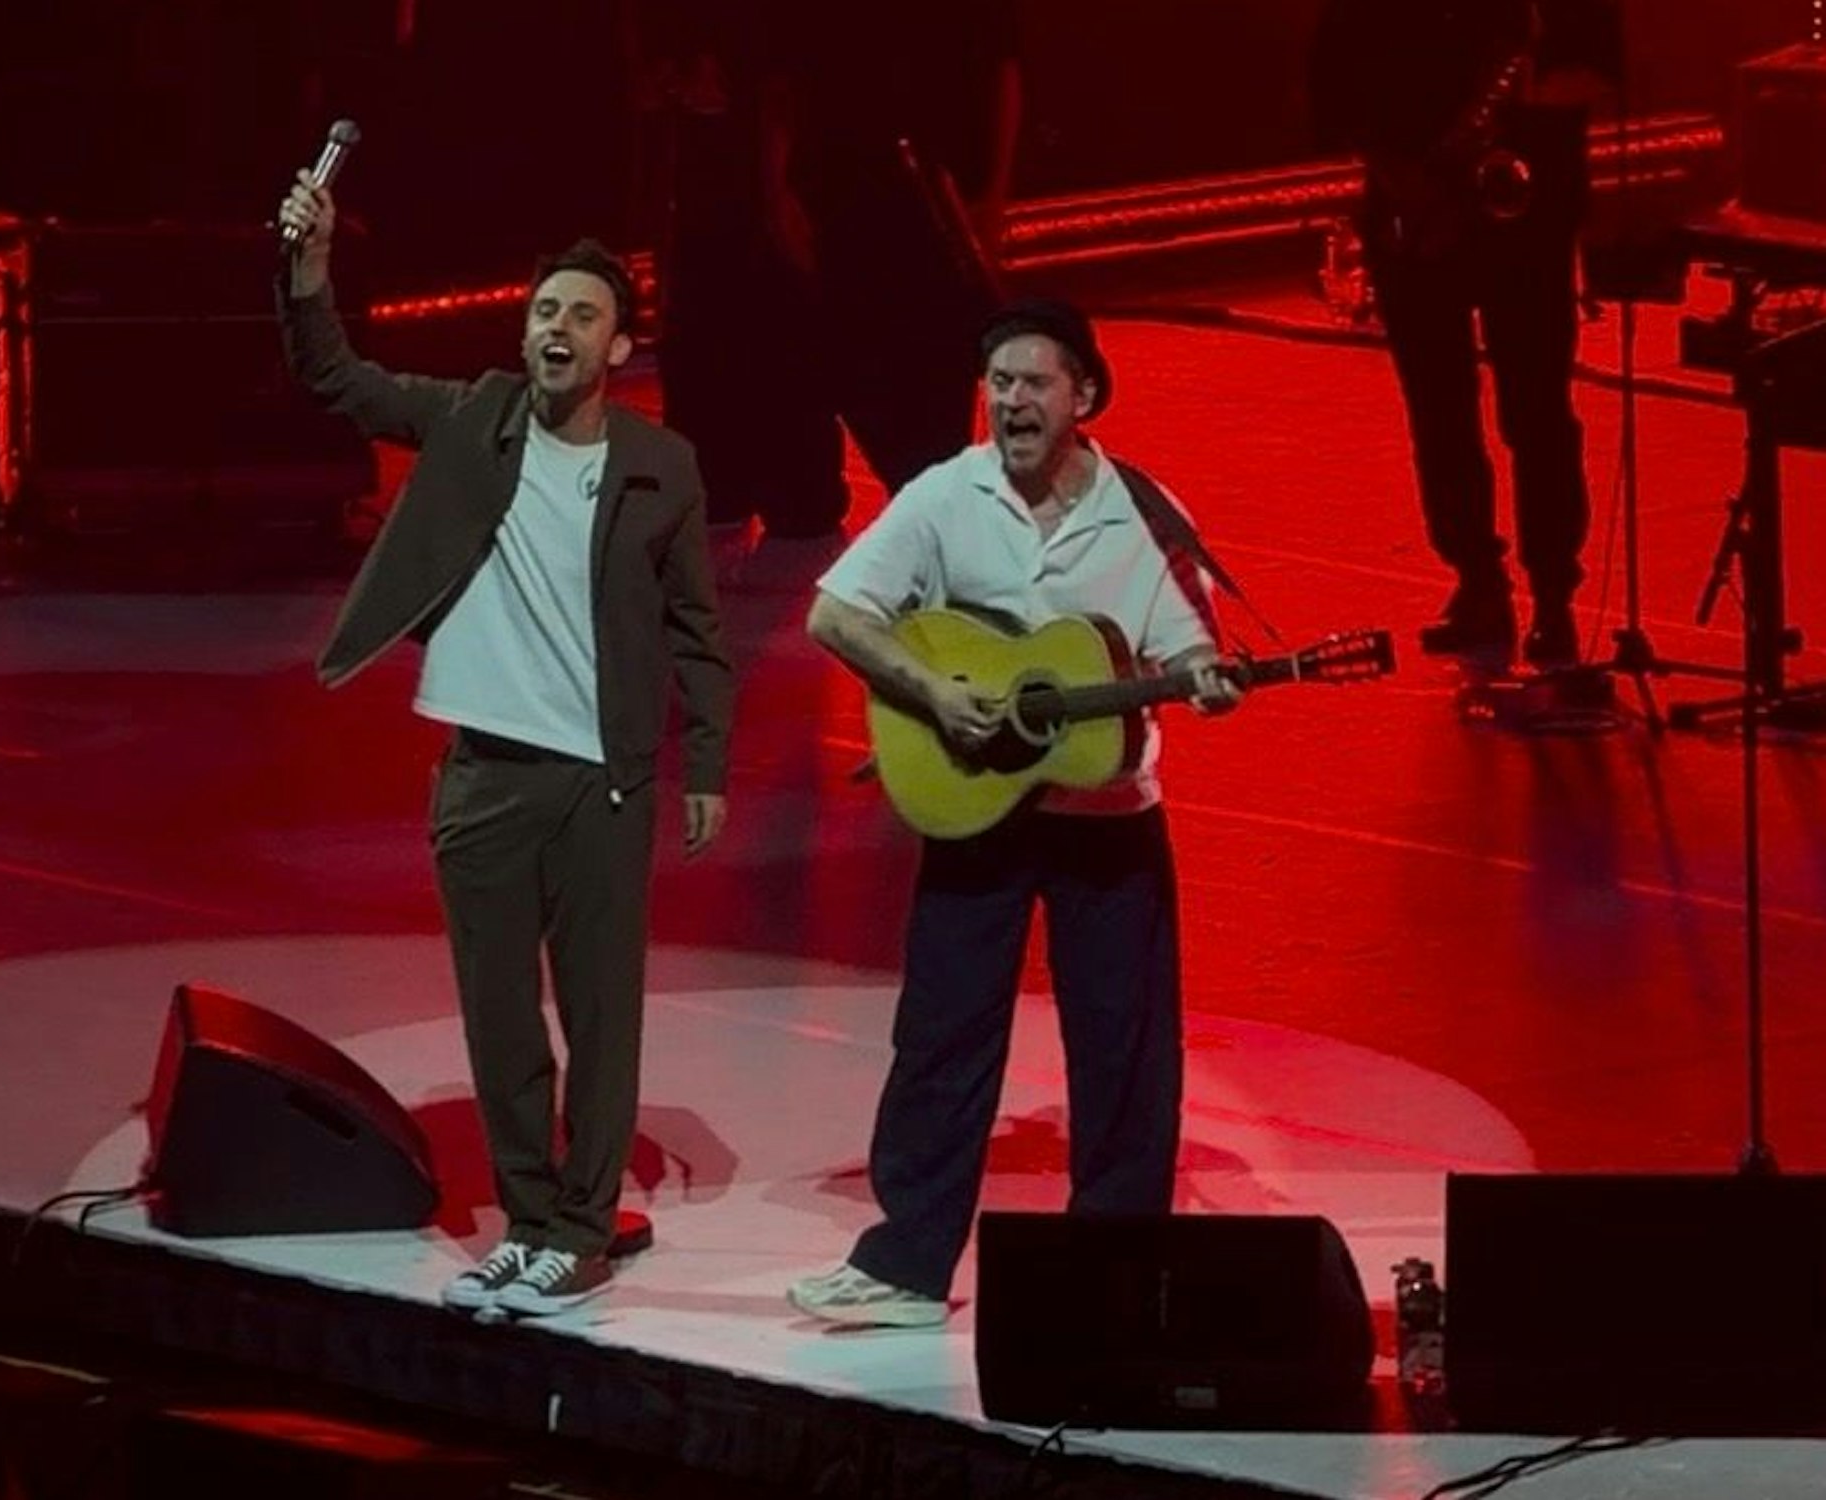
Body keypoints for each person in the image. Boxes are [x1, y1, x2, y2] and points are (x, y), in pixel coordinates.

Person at [275, 172, 734, 1316]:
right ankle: (532, 1219)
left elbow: (694, 625)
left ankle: (580, 1228)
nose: (553, 330)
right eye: (541, 312)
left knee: (598, 1013)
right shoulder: (473, 415)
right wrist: (310, 269)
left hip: (598, 782)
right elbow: (338, 377)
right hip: (481, 773)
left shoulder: (658, 465)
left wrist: (709, 765)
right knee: (496, 1015)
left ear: (619, 345)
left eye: (580, 314)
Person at [788, 299, 1243, 1326]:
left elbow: (1188, 647)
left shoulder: (1140, 507)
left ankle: (1112, 1275)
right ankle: (904, 1265)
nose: (1009, 401)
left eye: (1031, 383)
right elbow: (833, 610)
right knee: (941, 1035)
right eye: (997, 383)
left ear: (1081, 394)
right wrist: (933, 692)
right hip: (978, 808)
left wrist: (1205, 678)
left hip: (1107, 812)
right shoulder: (946, 494)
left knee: (1121, 1047)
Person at [1311, 0, 1622, 667]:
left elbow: (1598, 66)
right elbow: (1332, 74)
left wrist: (1528, 95)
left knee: (1535, 409)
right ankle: (1478, 579)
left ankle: (1552, 596)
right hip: (1413, 203)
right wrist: (1403, 174)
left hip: (1525, 210)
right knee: (1439, 408)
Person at [642, 0, 1021, 543]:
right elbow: (777, 73)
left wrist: (990, 195)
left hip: (887, 187)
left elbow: (999, 60)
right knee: (799, 488)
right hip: (833, 179)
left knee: (913, 444)